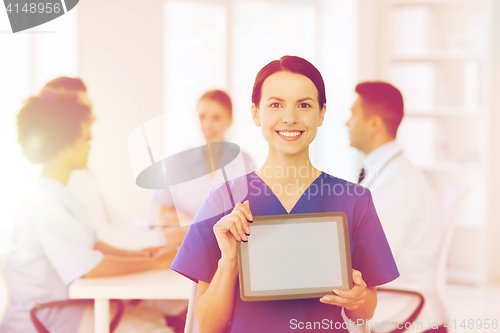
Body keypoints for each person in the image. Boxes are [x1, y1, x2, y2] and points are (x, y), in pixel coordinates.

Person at [170, 56, 400, 333]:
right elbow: (207, 326)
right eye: (276, 104)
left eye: (304, 105)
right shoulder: (222, 201)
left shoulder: (354, 200)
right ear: (255, 113)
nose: (289, 118)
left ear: (322, 113)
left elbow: (365, 312)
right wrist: (229, 261)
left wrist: (357, 298)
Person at [0, 90, 178, 333]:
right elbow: (89, 267)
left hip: (63, 307)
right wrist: (157, 263)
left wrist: (146, 256)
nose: (90, 144)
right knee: (155, 327)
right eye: (84, 138)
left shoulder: (60, 195)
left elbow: (94, 246)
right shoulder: (43, 202)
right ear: (63, 147)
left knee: (154, 315)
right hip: (47, 316)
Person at [345, 81, 444, 331]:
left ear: (375, 123)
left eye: (353, 114)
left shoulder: (398, 184)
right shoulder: (386, 173)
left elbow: (367, 260)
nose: (347, 123)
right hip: (393, 299)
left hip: (403, 309)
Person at [43, 77, 174, 250]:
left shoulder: (82, 169)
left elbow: (112, 219)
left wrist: (152, 230)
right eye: (85, 109)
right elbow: (99, 237)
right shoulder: (64, 174)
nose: (94, 117)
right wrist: (161, 238)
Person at [151, 89, 254, 228]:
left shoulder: (244, 162)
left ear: (230, 120)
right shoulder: (175, 162)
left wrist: (189, 222)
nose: (207, 125)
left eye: (216, 118)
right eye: (202, 117)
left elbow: (250, 216)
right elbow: (163, 218)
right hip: (182, 245)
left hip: (228, 247)